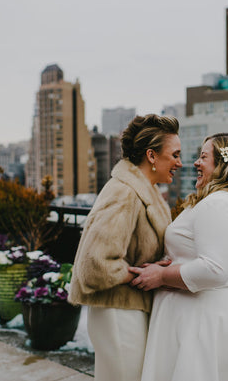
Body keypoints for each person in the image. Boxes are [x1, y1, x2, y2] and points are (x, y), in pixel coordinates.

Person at [129, 133, 228, 381]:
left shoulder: (219, 204)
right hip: (199, 318)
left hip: (203, 324)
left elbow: (214, 269)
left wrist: (162, 275)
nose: (196, 163)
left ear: (223, 163)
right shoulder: (224, 200)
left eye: (204, 157)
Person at [68, 114, 182, 381]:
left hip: (130, 310)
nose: (179, 162)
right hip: (117, 313)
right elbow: (95, 264)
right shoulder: (124, 192)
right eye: (174, 154)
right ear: (152, 156)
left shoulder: (146, 191)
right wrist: (146, 275)